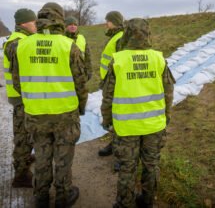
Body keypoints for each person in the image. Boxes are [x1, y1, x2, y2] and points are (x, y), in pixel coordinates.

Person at [11, 2, 88, 208]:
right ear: (59, 20)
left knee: (42, 156)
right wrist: (81, 107)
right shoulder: (67, 45)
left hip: (36, 114)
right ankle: (63, 196)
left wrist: (33, 99)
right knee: (63, 158)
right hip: (65, 114)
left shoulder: (23, 46)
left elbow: (17, 81)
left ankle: (41, 197)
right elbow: (81, 82)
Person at [101, 18, 175, 208]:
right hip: (154, 125)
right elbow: (168, 92)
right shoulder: (158, 58)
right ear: (148, 34)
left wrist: (106, 119)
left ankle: (125, 203)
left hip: (126, 127)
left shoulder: (118, 60)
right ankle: (147, 202)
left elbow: (108, 95)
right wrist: (167, 116)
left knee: (127, 167)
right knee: (151, 165)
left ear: (126, 34)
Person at [3, 8, 37, 188]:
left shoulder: (22, 40)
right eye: (34, 22)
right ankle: (21, 175)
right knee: (22, 135)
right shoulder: (17, 43)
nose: (36, 25)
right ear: (24, 23)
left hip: (22, 96)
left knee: (26, 132)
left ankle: (25, 157)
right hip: (21, 97)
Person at [98, 11, 124, 158]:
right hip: (109, 82)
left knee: (117, 116)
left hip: (115, 85)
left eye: (108, 21)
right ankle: (115, 144)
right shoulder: (116, 37)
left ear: (115, 22)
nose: (105, 23)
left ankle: (121, 152)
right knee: (114, 116)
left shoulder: (120, 38)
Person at [65, 16, 93, 81]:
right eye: (70, 25)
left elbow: (87, 57)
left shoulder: (82, 38)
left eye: (75, 25)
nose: (73, 26)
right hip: (65, 73)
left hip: (80, 75)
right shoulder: (61, 38)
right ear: (66, 26)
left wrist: (89, 72)